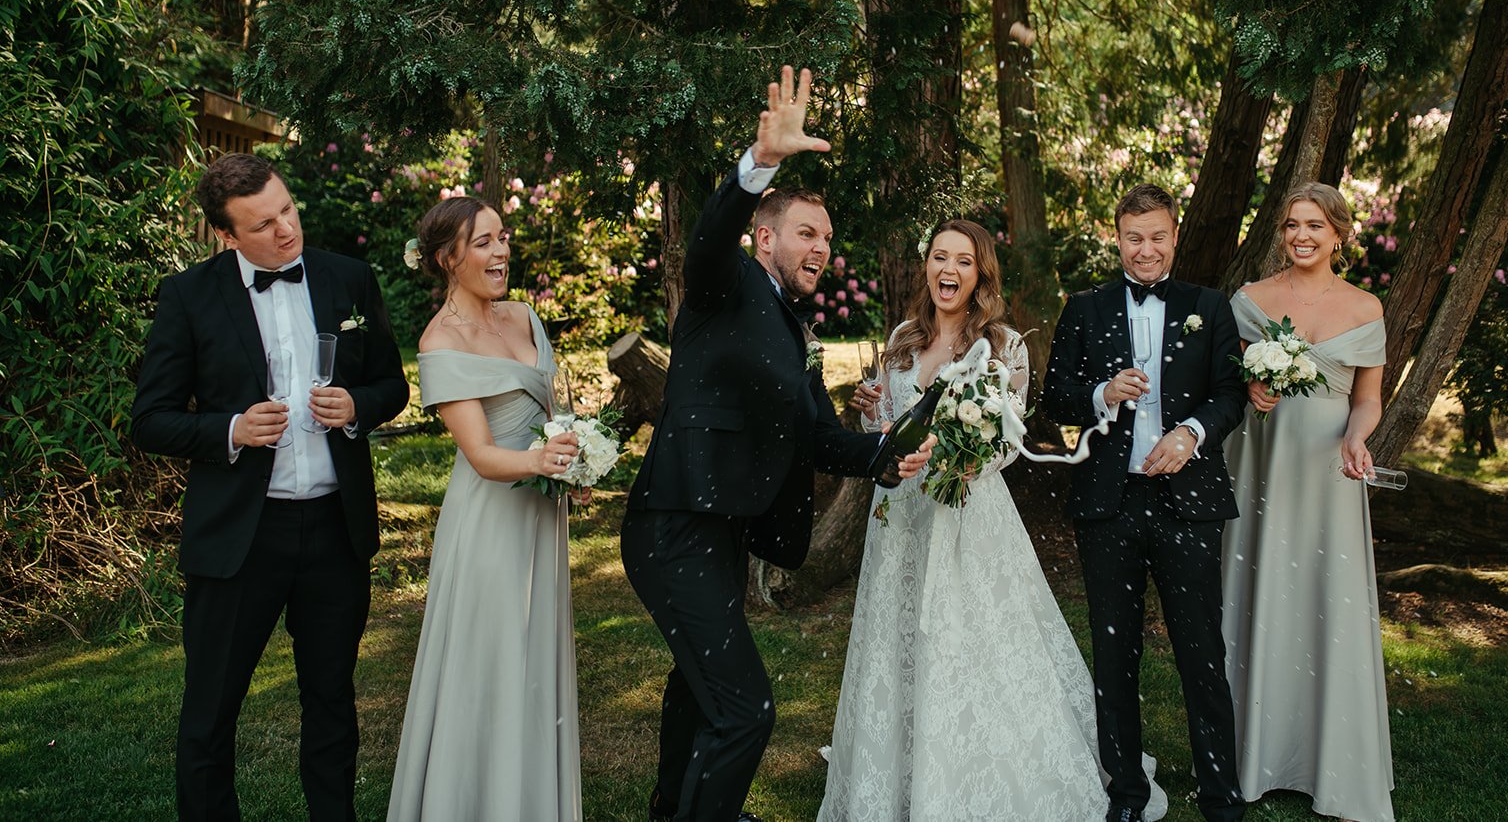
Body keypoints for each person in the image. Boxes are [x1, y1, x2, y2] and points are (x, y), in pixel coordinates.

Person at [622, 66, 933, 822]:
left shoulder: (794, 330)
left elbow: (818, 437)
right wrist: (759, 163)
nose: (822, 248)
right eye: (806, 233)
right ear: (764, 238)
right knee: (746, 711)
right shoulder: (724, 283)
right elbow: (707, 239)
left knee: (698, 688)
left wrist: (886, 454)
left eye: (826, 238)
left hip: (724, 531)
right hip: (675, 523)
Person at [819, 220, 1168, 821]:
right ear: (927, 265)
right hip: (900, 515)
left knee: (974, 641)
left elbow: (1008, 444)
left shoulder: (1004, 346)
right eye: (939, 257)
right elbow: (887, 431)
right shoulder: (902, 339)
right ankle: (899, 765)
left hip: (968, 515)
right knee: (899, 638)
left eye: (963, 261)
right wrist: (873, 413)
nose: (948, 270)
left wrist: (961, 460)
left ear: (980, 273)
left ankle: (975, 767)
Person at [131, 152, 409, 822]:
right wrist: (231, 428)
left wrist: (358, 406)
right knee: (210, 711)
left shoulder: (350, 278)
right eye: (262, 224)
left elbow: (393, 385)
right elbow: (151, 419)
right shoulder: (188, 296)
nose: (286, 229)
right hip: (240, 538)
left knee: (332, 702)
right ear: (226, 236)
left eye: (287, 209)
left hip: (335, 531)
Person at [1042, 183, 1249, 822]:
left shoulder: (1208, 306)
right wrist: (1102, 393)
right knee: (1114, 652)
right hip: (1109, 503)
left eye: (1158, 236)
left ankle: (1220, 797)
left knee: (1201, 652)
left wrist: (1192, 433)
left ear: (1175, 236)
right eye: (1134, 238)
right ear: (1118, 238)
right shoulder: (1085, 308)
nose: (1146, 250)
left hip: (1189, 502)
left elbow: (1231, 394)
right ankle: (1126, 793)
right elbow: (1055, 396)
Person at [386, 197, 584, 821]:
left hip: (541, 514)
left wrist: (576, 464)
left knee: (535, 661)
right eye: (484, 243)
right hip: (489, 524)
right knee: (490, 663)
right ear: (449, 258)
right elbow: (480, 456)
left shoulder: (524, 316)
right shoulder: (440, 341)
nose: (501, 252)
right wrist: (543, 461)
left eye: (503, 238)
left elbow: (553, 414)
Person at [1220, 182, 1392, 822]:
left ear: (1338, 234)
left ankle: (1333, 766)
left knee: (1328, 599)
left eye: (1315, 225)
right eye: (1293, 224)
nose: (1301, 236)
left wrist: (1356, 437)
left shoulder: (1366, 307)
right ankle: (1252, 759)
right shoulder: (1250, 301)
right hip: (1262, 464)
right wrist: (1250, 389)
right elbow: (1227, 381)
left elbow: (1367, 399)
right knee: (1260, 592)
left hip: (1329, 471)